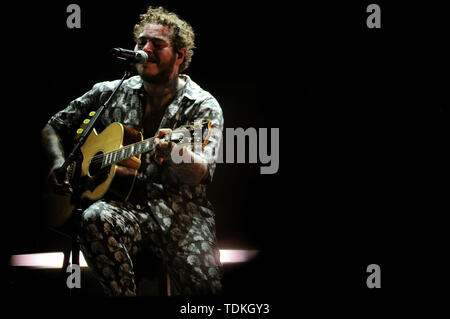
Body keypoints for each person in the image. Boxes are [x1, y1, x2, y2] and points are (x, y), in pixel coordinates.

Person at [41, 6, 223, 296]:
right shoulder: (109, 90)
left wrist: (177, 154)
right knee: (93, 217)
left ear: (179, 55)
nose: (145, 49)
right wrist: (57, 162)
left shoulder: (202, 106)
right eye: (141, 43)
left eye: (157, 44)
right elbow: (53, 126)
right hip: (124, 210)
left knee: (206, 295)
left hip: (182, 216)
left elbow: (200, 171)